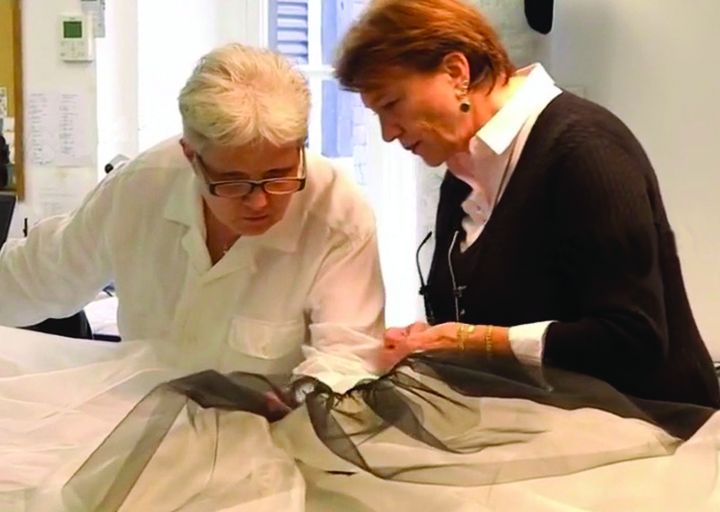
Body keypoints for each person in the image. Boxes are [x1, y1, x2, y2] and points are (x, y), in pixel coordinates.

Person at [335, 0, 719, 407]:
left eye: (392, 105)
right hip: (551, 426)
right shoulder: (462, 174)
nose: (387, 133)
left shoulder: (587, 151)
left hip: (659, 425)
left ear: (455, 72)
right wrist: (431, 343)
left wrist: (477, 341)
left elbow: (633, 339)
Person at [0, 43, 384, 385]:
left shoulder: (338, 213)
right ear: (191, 156)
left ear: (300, 148)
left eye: (277, 177)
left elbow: (346, 365)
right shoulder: (141, 186)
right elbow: (40, 276)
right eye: (232, 182)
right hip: (149, 424)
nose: (258, 202)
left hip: (277, 439)